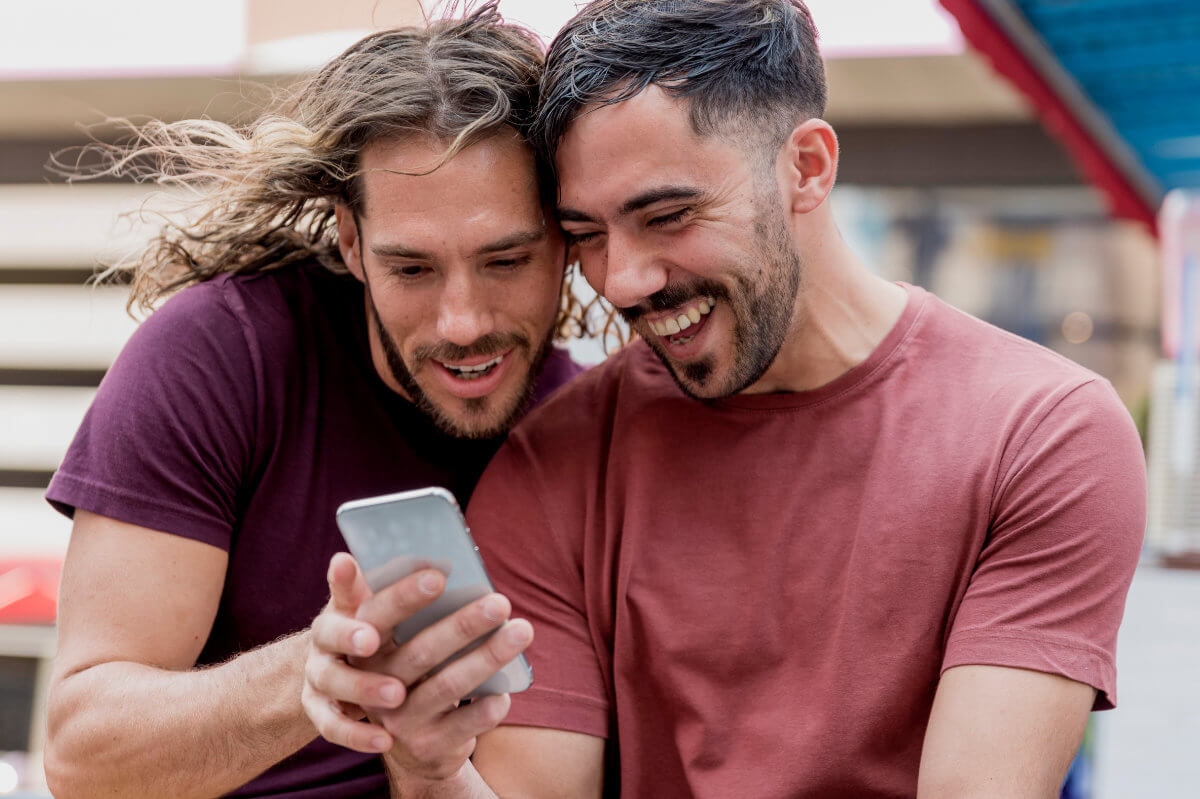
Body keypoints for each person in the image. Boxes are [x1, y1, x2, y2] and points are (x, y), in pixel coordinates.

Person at [305, 1, 1147, 796]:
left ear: (806, 168)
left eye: (667, 214)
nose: (624, 279)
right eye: (589, 235)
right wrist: (428, 763)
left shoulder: (1041, 434)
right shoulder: (555, 459)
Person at [42, 5, 586, 798]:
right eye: (412, 269)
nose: (462, 321)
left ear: (566, 239)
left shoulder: (588, 433)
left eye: (506, 260)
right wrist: (318, 672)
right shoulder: (220, 354)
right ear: (352, 240)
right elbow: (82, 754)